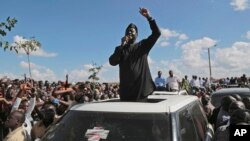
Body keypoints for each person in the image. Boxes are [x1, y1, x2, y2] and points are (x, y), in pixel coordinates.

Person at [109, 7, 161, 102]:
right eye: (127, 30)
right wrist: (121, 46)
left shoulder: (142, 46)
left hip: (141, 92)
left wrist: (149, 17)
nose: (129, 32)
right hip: (126, 93)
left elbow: (157, 33)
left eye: (132, 31)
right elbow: (112, 62)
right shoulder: (120, 49)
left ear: (137, 34)